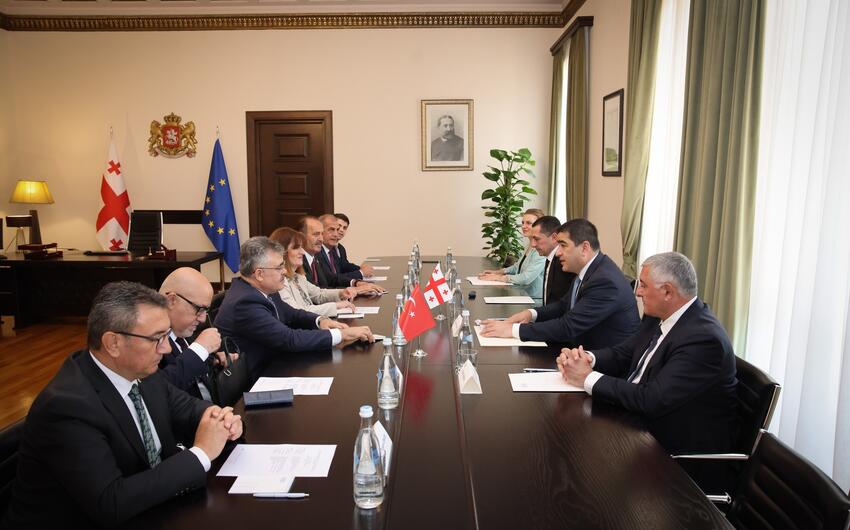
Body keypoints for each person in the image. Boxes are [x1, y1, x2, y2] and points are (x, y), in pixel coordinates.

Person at [2, 282, 242, 528]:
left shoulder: (141, 372)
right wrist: (201, 453)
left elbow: (186, 408)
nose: (167, 348)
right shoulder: (67, 407)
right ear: (113, 343)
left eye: (167, 335)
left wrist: (217, 418)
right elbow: (111, 502)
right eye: (157, 338)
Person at [557, 251, 737, 461]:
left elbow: (651, 399)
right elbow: (624, 353)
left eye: (643, 285)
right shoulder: (659, 316)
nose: (637, 292)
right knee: (564, 436)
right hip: (634, 421)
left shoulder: (703, 340)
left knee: (572, 452)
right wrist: (585, 358)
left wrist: (587, 377)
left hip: (668, 449)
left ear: (667, 291)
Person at [214, 236, 373, 381]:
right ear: (259, 274)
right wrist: (342, 335)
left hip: (276, 362)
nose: (284, 271)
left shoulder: (262, 289)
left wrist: (320, 321)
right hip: (255, 379)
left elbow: (291, 313)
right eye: (279, 268)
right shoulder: (245, 302)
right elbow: (288, 339)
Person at [481, 218, 640, 349]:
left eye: (563, 245)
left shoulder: (605, 281)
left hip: (603, 362)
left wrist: (513, 330)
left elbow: (568, 326)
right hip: (580, 350)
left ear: (584, 248)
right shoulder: (590, 270)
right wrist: (530, 313)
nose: (557, 252)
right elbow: (562, 305)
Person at [157, 267, 236, 399]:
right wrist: (199, 349)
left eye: (206, 310)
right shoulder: (147, 337)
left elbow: (186, 359)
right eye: (199, 309)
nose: (203, 318)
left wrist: (213, 360)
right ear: (171, 300)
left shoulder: (184, 327)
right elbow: (158, 389)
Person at [269, 226, 357, 318]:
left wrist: (341, 293)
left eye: (302, 247)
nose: (303, 252)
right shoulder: (279, 281)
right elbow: (296, 311)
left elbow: (319, 294)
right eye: (296, 248)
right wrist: (335, 306)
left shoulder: (297, 277)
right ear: (282, 252)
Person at [296, 216, 381, 295]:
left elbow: (332, 279)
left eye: (321, 234)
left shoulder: (315, 258)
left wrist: (356, 283)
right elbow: (315, 294)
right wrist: (354, 290)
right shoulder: (297, 261)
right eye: (316, 234)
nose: (321, 239)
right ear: (301, 236)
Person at [478, 208, 547, 299]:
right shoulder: (528, 245)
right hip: (521, 295)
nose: (523, 226)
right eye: (523, 223)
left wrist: (499, 278)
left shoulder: (541, 251)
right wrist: (498, 272)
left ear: (539, 226)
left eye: (528, 223)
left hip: (533, 301)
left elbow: (526, 278)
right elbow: (516, 267)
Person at [334, 212, 374, 277]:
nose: (341, 230)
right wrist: (361, 273)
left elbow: (345, 266)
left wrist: (361, 268)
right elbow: (334, 277)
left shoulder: (340, 248)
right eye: (339, 226)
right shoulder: (325, 249)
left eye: (344, 228)